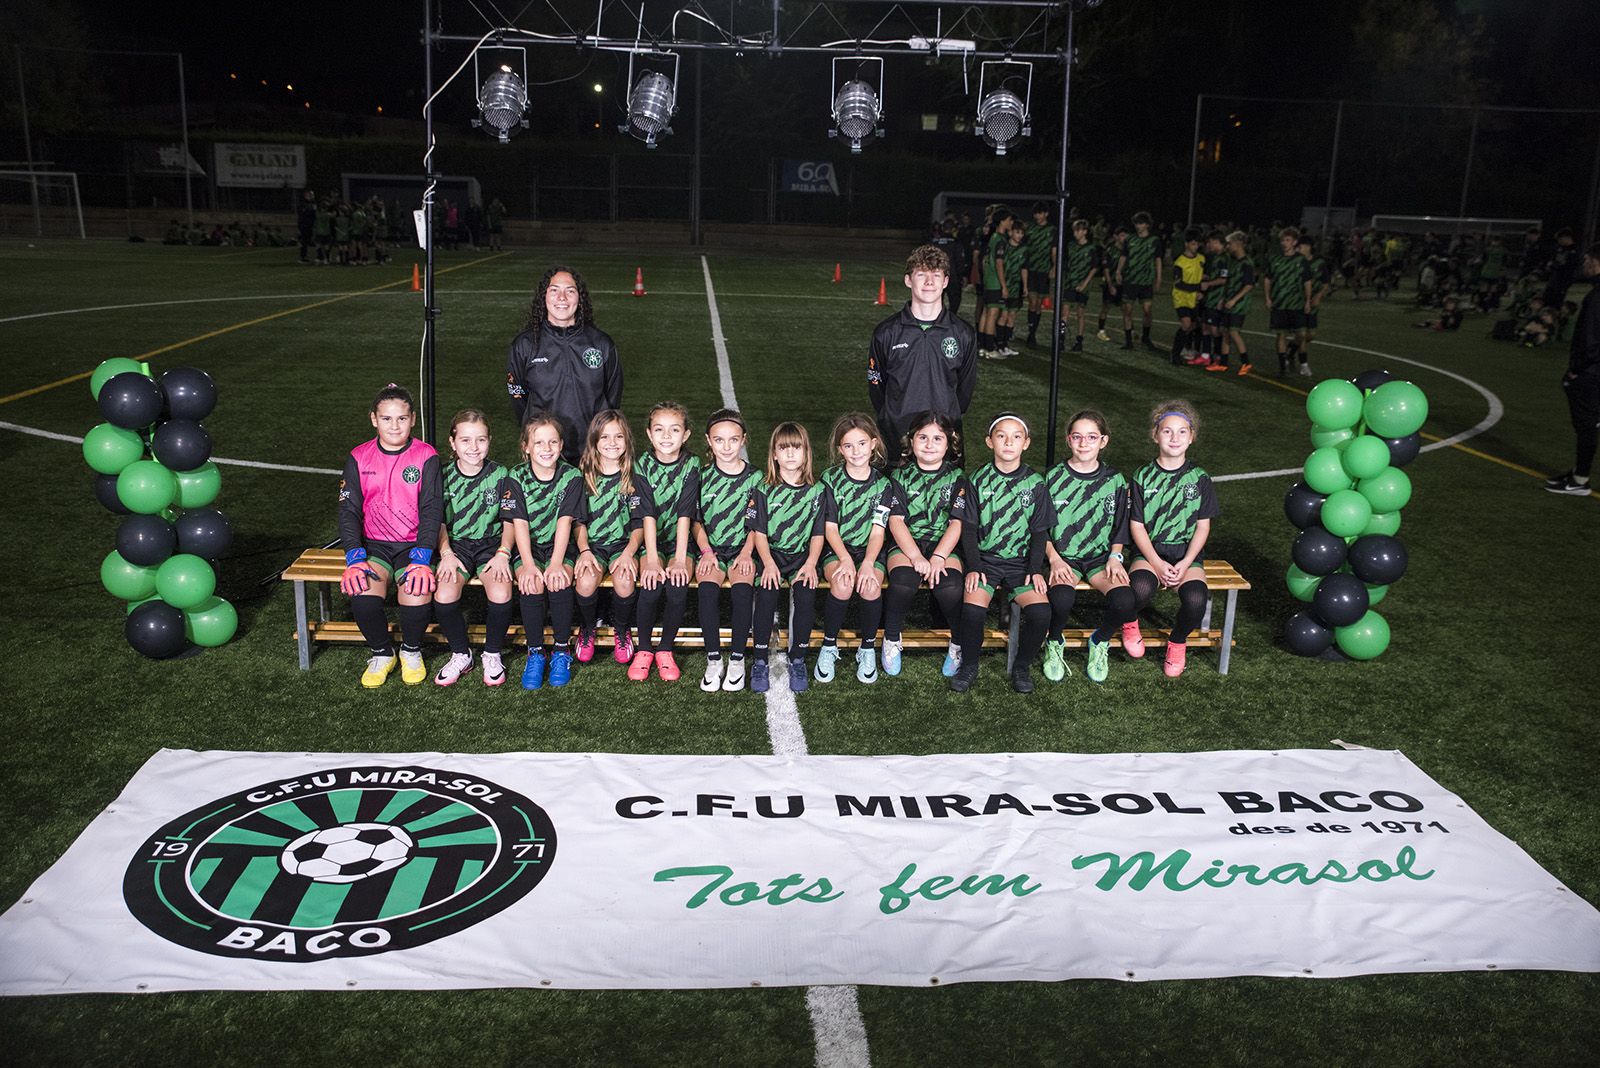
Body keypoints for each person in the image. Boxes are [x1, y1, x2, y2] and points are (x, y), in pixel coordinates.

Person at [337, 384, 443, 688]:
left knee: (418, 590)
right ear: (374, 419)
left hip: (413, 546)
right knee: (362, 595)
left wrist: (422, 558)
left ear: (412, 420)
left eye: (401, 418)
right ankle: (383, 653)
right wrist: (355, 557)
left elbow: (432, 511)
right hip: (375, 546)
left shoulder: (426, 456)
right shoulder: (358, 457)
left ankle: (411, 650)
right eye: (386, 419)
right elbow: (348, 512)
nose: (394, 426)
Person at [949, 413, 1051, 694]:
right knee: (971, 610)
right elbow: (968, 528)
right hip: (986, 560)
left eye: (1016, 436)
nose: (1009, 442)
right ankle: (969, 665)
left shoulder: (1036, 483)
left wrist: (1034, 570)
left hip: (1020, 563)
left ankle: (1021, 666)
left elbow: (1039, 532)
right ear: (989, 441)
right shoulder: (976, 480)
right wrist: (973, 565)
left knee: (1041, 613)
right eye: (1001, 436)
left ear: (1026, 443)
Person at [1041, 410, 1138, 684]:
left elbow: (1121, 525)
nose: (1084, 443)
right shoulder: (1051, 478)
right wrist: (1054, 559)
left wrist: (1116, 556)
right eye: (1078, 437)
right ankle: (1055, 641)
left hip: (1099, 559)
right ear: (1068, 440)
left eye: (1092, 437)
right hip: (1063, 557)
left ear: (1103, 441)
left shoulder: (1115, 480)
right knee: (1061, 599)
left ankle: (1100, 640)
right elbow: (1040, 528)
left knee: (1124, 600)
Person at [1126, 400, 1219, 678]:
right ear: (1155, 435)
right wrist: (1155, 561)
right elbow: (1137, 525)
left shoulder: (1200, 478)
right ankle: (1130, 624)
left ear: (1191, 437)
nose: (1174, 438)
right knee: (1138, 591)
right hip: (1149, 553)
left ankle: (1177, 642)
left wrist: (1186, 562)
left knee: (1195, 600)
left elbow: (1203, 527)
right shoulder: (1142, 476)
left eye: (1182, 432)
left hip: (1185, 555)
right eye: (1167, 431)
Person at [867, 244, 979, 468]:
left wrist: (944, 417)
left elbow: (964, 392)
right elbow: (877, 387)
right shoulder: (886, 332)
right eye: (921, 275)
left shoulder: (963, 333)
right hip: (896, 440)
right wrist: (896, 414)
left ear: (945, 281)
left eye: (936, 275)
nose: (929, 282)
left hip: (944, 440)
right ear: (908, 280)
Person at [431, 409, 517, 687]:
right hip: (455, 546)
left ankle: (492, 653)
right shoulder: (442, 475)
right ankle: (461, 653)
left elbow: (510, 520)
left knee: (502, 590)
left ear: (489, 441)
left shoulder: (501, 474)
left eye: (480, 440)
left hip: (491, 545)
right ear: (452, 443)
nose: (473, 447)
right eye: (465, 440)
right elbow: (438, 521)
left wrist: (504, 553)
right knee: (444, 594)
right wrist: (445, 553)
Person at [506, 265, 624, 464]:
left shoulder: (601, 343)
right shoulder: (525, 345)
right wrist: (539, 434)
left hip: (591, 453)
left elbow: (612, 396)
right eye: (554, 290)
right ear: (544, 297)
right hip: (546, 453)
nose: (562, 297)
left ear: (580, 298)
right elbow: (519, 399)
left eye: (570, 291)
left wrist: (599, 437)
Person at [880, 412, 967, 679]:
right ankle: (891, 639)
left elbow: (956, 523)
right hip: (908, 543)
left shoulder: (958, 478)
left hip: (944, 544)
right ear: (911, 440)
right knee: (904, 582)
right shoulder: (899, 476)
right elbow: (895, 521)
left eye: (937, 438)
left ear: (949, 443)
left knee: (950, 587)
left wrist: (939, 556)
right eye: (923, 437)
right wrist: (917, 556)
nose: (930, 444)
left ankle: (958, 642)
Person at [748, 422, 829, 693]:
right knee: (767, 593)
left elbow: (818, 534)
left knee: (806, 595)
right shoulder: (763, 489)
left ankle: (797, 659)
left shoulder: (818, 491)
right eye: (784, 448)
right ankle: (759, 660)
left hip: (802, 557)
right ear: (773, 454)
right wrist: (769, 563)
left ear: (806, 453)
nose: (791, 454)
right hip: (772, 555)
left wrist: (810, 563)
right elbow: (759, 532)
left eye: (797, 448)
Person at [688, 409, 764, 691]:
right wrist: (707, 552)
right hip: (712, 550)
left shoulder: (757, 478)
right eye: (719, 440)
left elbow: (758, 525)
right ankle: (713, 659)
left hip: (745, 548)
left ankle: (735, 659)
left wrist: (746, 553)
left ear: (744, 439)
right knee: (707, 591)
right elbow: (696, 522)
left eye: (733, 439)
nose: (727, 446)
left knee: (742, 592)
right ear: (708, 441)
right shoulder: (702, 477)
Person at [507, 412, 583, 689]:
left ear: (561, 445)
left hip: (559, 547)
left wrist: (555, 563)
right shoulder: (515, 476)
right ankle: (536, 652)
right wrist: (528, 565)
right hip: (528, 546)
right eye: (539, 443)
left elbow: (565, 522)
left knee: (559, 578)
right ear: (526, 447)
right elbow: (520, 524)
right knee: (531, 584)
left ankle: (561, 650)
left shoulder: (572, 476)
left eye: (553, 442)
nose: (547, 449)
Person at [814, 414, 892, 685]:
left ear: (873, 444)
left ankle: (867, 647)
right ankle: (828, 645)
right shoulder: (830, 480)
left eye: (861, 444)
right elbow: (830, 529)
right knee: (844, 582)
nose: (856, 451)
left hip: (870, 550)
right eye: (848, 446)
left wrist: (869, 563)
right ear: (840, 449)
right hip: (837, 549)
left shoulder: (883, 485)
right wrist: (845, 559)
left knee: (870, 585)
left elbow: (878, 531)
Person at [572, 410, 651, 669]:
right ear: (594, 441)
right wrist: (584, 551)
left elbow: (639, 524)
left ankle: (621, 629)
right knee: (585, 582)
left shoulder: (633, 477)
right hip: (592, 546)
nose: (612, 442)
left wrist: (629, 553)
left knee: (625, 580)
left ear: (627, 440)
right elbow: (578, 522)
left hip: (622, 545)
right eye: (604, 436)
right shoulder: (582, 477)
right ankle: (587, 628)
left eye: (618, 436)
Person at [629, 402, 699, 682]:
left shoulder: (691, 464)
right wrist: (653, 559)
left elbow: (686, 513)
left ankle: (666, 649)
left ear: (686, 435)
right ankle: (645, 649)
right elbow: (646, 514)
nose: (667, 436)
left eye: (674, 430)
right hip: (651, 539)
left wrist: (680, 559)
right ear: (648, 433)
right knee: (650, 584)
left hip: (681, 541)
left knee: (678, 586)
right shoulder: (641, 465)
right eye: (659, 429)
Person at [1545, 242, 1600, 496]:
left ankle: (1580, 480)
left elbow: (1590, 340)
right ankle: (1579, 472)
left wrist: (1576, 370)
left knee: (1587, 425)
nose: (1586, 264)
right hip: (1593, 371)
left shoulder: (1596, 297)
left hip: (1590, 373)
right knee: (1588, 425)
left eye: (1589, 259)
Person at [1264, 227, 1312, 376]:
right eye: (1283, 240)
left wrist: (1308, 301)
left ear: (1295, 242)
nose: (1284, 243)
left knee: (1302, 334)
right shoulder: (1275, 259)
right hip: (1279, 304)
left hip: (1296, 303)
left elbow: (1307, 281)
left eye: (1288, 240)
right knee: (1281, 335)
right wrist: (1268, 297)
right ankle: (1282, 367)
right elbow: (1267, 279)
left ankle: (1292, 353)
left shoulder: (1301, 260)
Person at [1059, 219, 1102, 352]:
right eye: (1074, 230)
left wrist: (1084, 283)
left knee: (1080, 313)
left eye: (1078, 230)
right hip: (1069, 283)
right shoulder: (1071, 246)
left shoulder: (1091, 248)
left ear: (1085, 232)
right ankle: (1061, 339)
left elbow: (1094, 267)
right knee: (1064, 312)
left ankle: (1079, 341)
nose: (1075, 233)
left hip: (1083, 285)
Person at [1122, 212, 1163, 352]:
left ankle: (1146, 337)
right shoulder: (1129, 239)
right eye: (1136, 223)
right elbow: (1124, 256)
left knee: (1147, 311)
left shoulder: (1154, 241)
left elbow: (1158, 260)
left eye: (1140, 223)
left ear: (1147, 224)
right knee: (1127, 311)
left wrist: (1158, 279)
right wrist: (1118, 271)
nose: (1138, 226)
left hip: (1146, 281)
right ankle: (1128, 341)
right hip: (1131, 280)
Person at [1216, 230, 1256, 375]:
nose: (1228, 246)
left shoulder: (1247, 263)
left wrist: (1233, 300)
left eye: (1230, 243)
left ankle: (1246, 363)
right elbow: (1228, 282)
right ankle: (1223, 363)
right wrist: (1223, 298)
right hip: (1229, 301)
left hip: (1239, 304)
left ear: (1239, 244)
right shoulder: (1232, 261)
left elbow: (1249, 285)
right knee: (1225, 331)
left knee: (1233, 332)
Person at [977, 210, 1015, 358]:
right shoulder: (1000, 240)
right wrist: (1004, 285)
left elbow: (984, 260)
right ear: (1002, 221)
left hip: (988, 280)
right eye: (1009, 220)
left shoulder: (992, 237)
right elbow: (999, 263)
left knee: (986, 313)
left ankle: (982, 347)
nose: (1011, 223)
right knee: (992, 314)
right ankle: (989, 349)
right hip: (995, 282)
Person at [1169, 227, 1205, 365]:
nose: (1195, 247)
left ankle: (1186, 348)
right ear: (1186, 244)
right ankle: (1175, 354)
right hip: (1181, 297)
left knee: (1193, 325)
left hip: (1194, 298)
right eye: (1193, 244)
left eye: (1197, 244)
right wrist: (1197, 288)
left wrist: (1201, 291)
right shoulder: (1180, 262)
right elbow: (1179, 284)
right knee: (1186, 324)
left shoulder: (1201, 259)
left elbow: (1200, 277)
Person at [1023, 201, 1057, 346]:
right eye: (1036, 213)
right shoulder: (1030, 228)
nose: (1037, 216)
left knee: (1038, 303)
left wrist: (1054, 266)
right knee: (1032, 301)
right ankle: (1030, 334)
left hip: (1043, 271)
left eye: (1040, 213)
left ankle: (1033, 332)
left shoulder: (1052, 230)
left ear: (1046, 214)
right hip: (1030, 270)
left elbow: (1054, 250)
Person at [1299, 234, 1335, 369]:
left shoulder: (1319, 264)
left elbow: (1326, 283)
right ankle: (1304, 364)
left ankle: (1291, 348)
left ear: (1308, 247)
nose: (1298, 249)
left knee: (1310, 335)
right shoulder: (1297, 262)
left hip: (1312, 304)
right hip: (1297, 303)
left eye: (1300, 247)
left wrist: (1318, 296)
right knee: (1301, 333)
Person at [1095, 225, 1128, 343]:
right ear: (1116, 237)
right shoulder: (1110, 250)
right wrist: (1110, 285)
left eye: (1126, 235)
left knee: (1126, 308)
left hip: (1123, 285)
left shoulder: (1127, 250)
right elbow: (1106, 269)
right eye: (1122, 235)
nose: (1125, 238)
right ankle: (1101, 331)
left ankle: (1130, 332)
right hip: (1111, 283)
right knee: (1106, 307)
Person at [297, 190, 316, 264]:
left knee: (309, 241)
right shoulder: (303, 204)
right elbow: (303, 214)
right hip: (304, 225)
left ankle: (314, 256)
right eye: (310, 195)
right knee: (304, 242)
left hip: (310, 225)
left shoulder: (312, 204)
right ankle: (303, 257)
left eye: (312, 195)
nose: (312, 197)